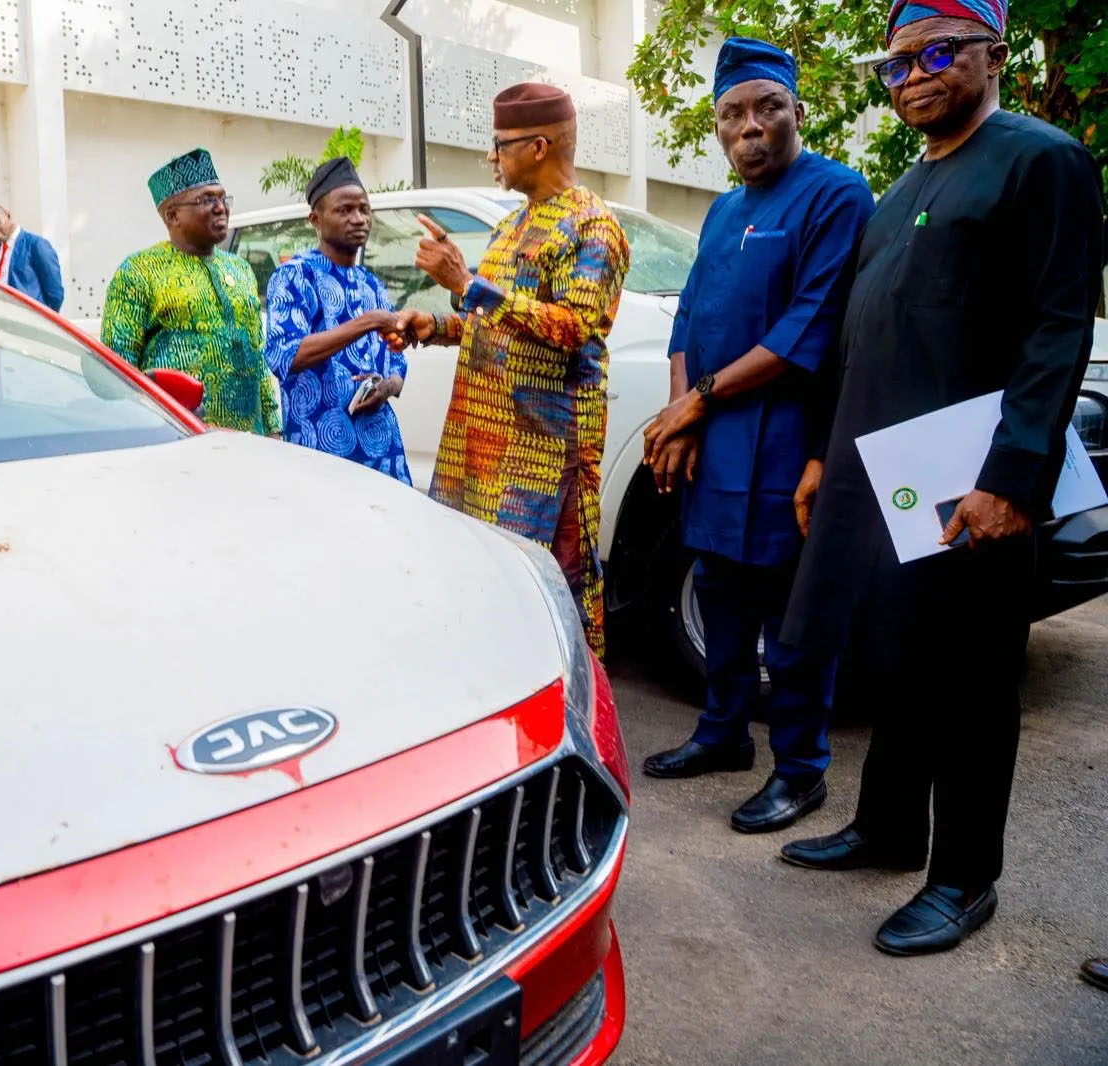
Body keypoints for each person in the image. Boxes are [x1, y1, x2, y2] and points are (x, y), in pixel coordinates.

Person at [777, 0, 1105, 956]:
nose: (913, 75)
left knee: (972, 679)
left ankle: (964, 879)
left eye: (937, 53)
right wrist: (822, 459)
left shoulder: (1039, 159)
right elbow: (863, 337)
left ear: (993, 55)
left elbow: (1058, 328)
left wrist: (1011, 477)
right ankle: (887, 831)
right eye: (896, 63)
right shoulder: (898, 192)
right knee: (900, 660)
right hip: (886, 481)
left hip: (975, 483)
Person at [636, 39, 875, 834]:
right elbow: (687, 316)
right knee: (719, 592)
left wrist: (696, 403)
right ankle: (723, 734)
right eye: (732, 113)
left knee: (790, 615)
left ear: (797, 113)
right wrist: (679, 415)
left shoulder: (836, 195)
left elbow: (811, 324)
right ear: (716, 127)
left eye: (767, 108)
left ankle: (801, 770)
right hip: (714, 445)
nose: (750, 126)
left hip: (790, 439)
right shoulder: (721, 211)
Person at [401, 83, 630, 656]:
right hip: (480, 449)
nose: (491, 156)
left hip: (544, 457)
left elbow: (574, 327)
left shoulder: (591, 226)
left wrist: (465, 283)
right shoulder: (513, 225)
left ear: (538, 147)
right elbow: (495, 320)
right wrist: (437, 325)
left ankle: (570, 705)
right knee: (489, 588)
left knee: (551, 599)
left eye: (499, 144)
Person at [101, 148, 280, 436]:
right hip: (176, 438)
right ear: (173, 216)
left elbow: (257, 356)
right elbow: (117, 374)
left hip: (249, 440)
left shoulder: (241, 269)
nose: (221, 208)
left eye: (223, 198)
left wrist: (273, 427)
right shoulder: (138, 272)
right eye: (207, 200)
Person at [264, 157, 411, 483]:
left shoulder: (371, 283)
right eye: (344, 210)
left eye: (364, 209)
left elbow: (398, 362)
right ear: (315, 219)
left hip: (382, 451)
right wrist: (368, 321)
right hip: (321, 453)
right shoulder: (295, 275)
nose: (358, 219)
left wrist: (387, 387)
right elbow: (284, 355)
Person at [0, 202, 65, 311]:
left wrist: (44, 318)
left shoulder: (36, 245)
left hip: (29, 318)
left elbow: (55, 292)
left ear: (8, 215)